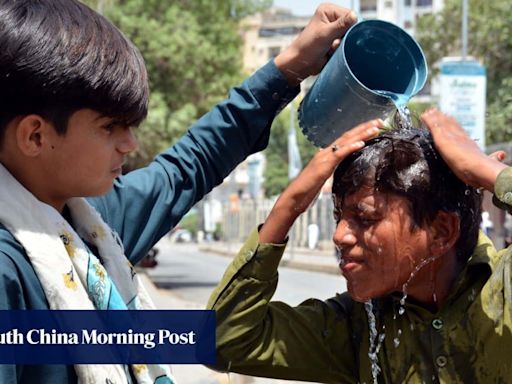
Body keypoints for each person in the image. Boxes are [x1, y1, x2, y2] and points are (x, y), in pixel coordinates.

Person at [0, 1, 358, 383]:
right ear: (35, 135)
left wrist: (291, 67)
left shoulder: (90, 226)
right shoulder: (10, 269)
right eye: (110, 127)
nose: (129, 145)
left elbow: (190, 164)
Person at [207, 109, 512, 383]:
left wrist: (489, 174)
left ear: (441, 231)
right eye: (338, 216)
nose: (340, 236)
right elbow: (217, 341)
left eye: (364, 218)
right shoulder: (360, 326)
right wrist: (289, 207)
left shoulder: (503, 292)